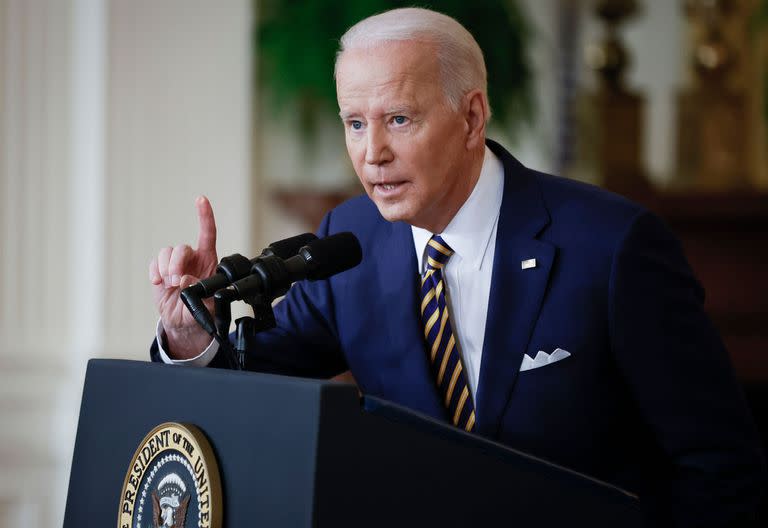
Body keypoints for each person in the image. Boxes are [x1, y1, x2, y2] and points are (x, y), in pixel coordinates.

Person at [149, 7, 765, 526]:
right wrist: (188, 331)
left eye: (397, 119)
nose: (372, 154)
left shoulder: (613, 247)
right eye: (355, 124)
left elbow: (720, 467)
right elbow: (255, 376)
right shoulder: (350, 238)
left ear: (471, 117)